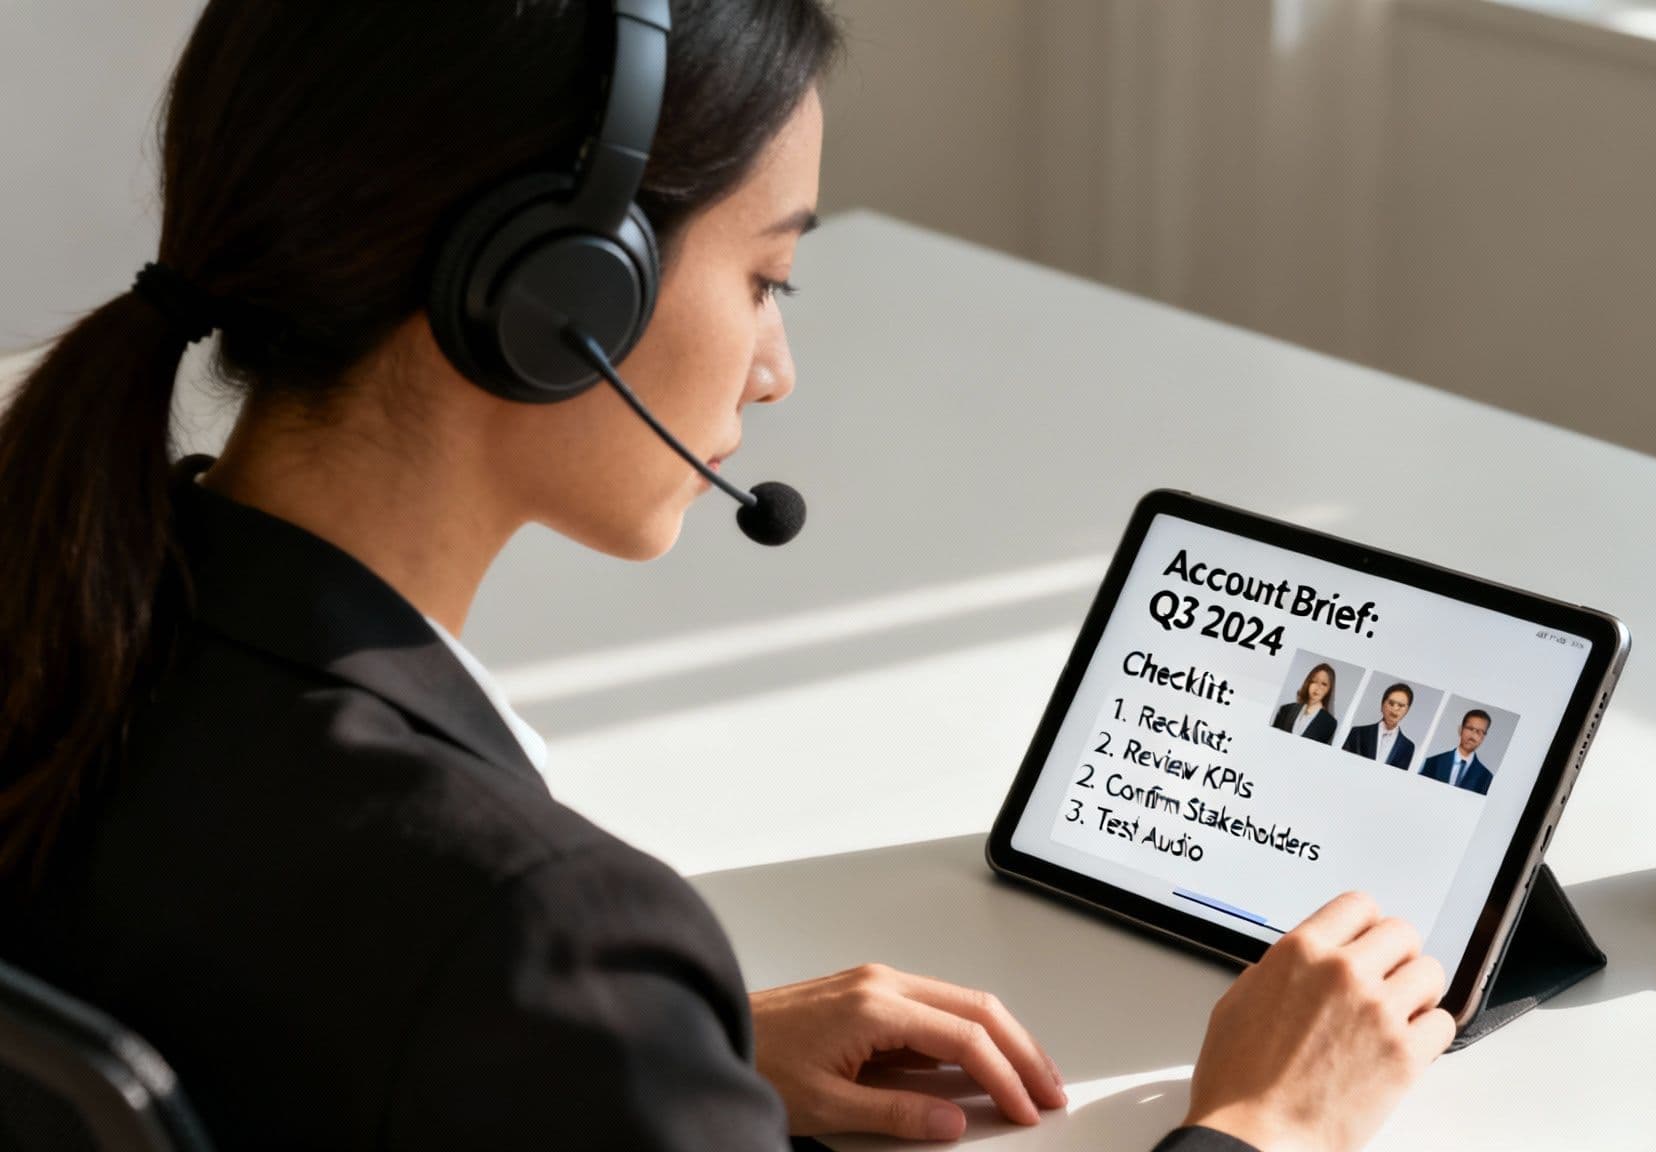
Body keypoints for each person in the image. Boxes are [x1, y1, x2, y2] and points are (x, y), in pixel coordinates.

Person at [0, 3, 1453, 1150]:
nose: (776, 367)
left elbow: (256, 1005)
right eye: (767, 278)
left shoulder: (66, 635)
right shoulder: (543, 930)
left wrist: (655, 1062)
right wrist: (1269, 1128)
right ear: (552, 298)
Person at [1421, 710, 1496, 796]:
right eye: (1470, 729)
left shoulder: (1486, 777)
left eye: (1479, 732)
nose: (1473, 736)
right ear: (1460, 729)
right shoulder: (1432, 763)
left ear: (1483, 737)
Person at [1341, 682, 1417, 768]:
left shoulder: (1408, 747)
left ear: (1407, 710)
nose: (1395, 709)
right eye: (1391, 703)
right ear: (1382, 705)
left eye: (1401, 705)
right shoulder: (1357, 733)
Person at [1272, 663, 1339, 744]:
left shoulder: (1330, 723)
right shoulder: (1285, 709)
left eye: (1324, 684)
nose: (1318, 687)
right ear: (1308, 683)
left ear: (1329, 689)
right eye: (1314, 681)